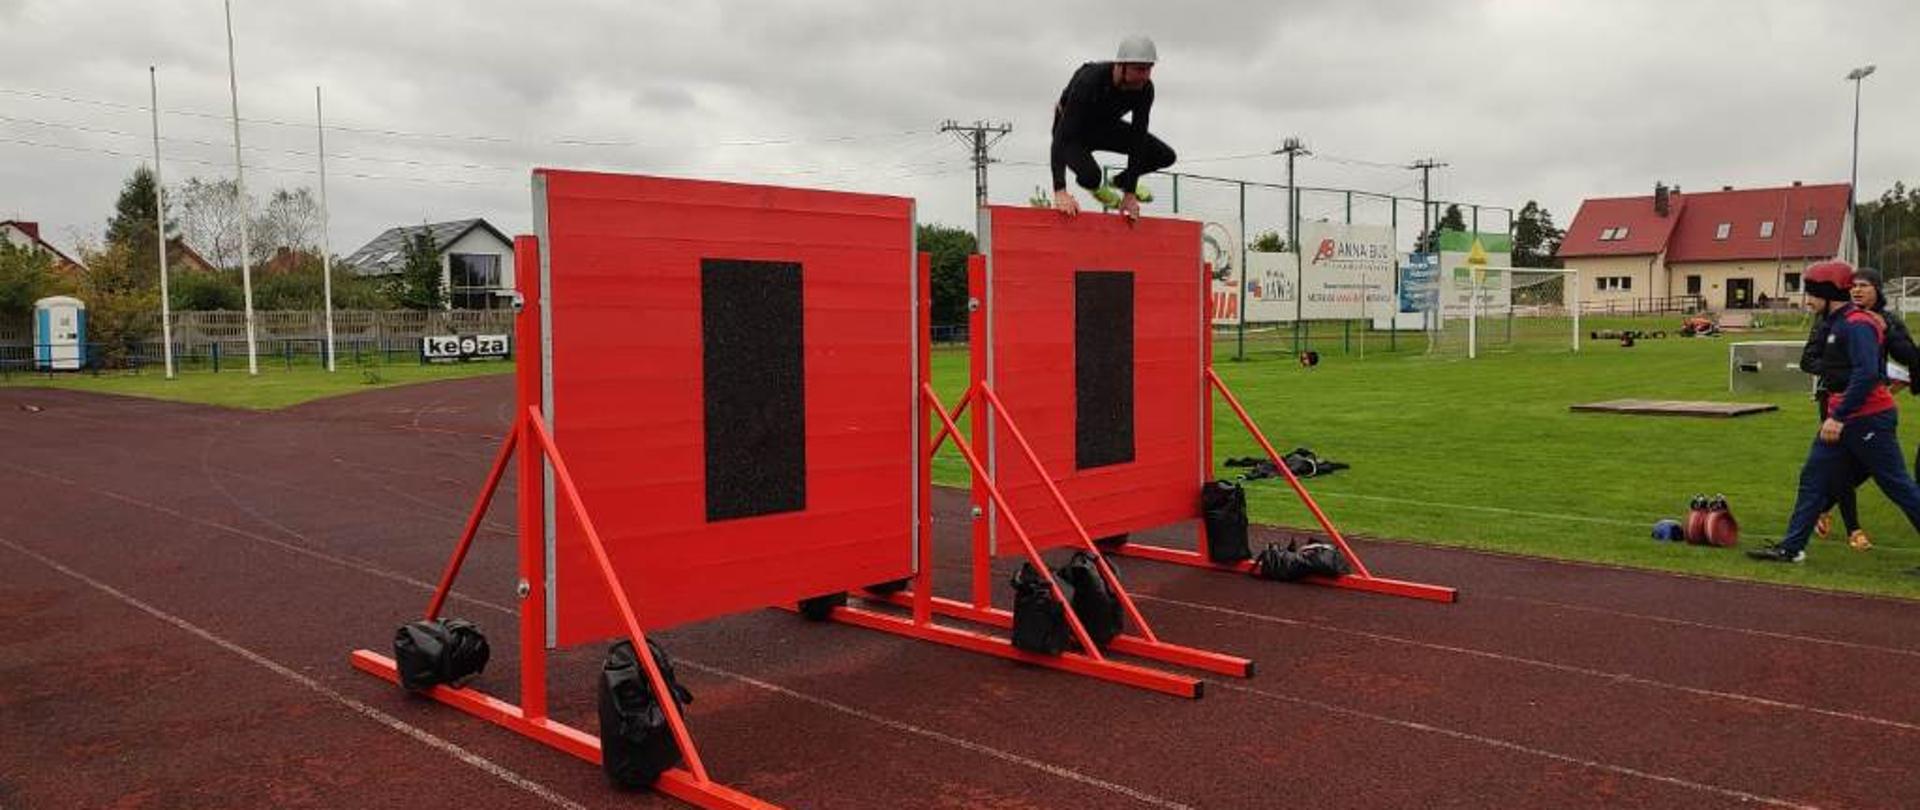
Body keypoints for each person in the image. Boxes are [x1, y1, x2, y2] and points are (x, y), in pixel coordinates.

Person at [1751, 261, 1920, 562]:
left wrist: (1838, 417)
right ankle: (1791, 548)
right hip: (1842, 418)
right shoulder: (1834, 324)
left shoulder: (1857, 325)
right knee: (1813, 478)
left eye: (1813, 293)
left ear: (1829, 293)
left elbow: (1867, 374)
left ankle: (1792, 546)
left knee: (1898, 486)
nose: (1808, 300)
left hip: (1867, 419)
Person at [1049, 36, 1176, 220]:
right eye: (1140, 69)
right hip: (1073, 133)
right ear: (1121, 65)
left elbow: (1138, 137)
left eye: (1149, 69)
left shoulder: (1145, 89)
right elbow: (1062, 135)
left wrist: (1130, 193)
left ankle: (1119, 182)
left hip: (1105, 129)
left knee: (1165, 156)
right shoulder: (1090, 80)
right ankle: (1096, 186)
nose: (1146, 76)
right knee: (1091, 177)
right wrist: (1060, 191)